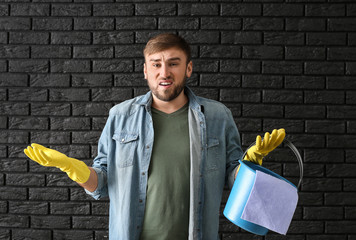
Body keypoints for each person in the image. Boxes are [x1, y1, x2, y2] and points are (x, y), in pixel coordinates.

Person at [24, 33, 285, 240]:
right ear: (146, 70)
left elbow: (233, 181)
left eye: (174, 63)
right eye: (156, 64)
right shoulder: (120, 115)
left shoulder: (218, 116)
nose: (165, 72)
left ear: (189, 68)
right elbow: (102, 184)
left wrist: (249, 164)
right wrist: (74, 169)